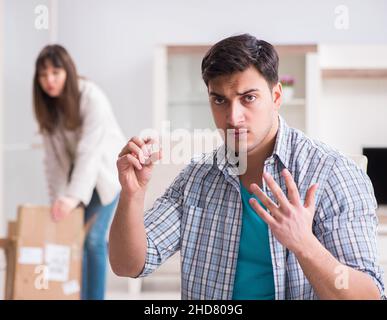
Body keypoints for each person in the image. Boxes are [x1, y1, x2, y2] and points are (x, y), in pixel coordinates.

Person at [109, 34, 385, 299]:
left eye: (248, 98)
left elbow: (368, 295)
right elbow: (128, 265)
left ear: (276, 97)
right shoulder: (197, 177)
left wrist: (306, 245)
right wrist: (133, 194)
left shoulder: (332, 173)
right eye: (219, 100)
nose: (233, 117)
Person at [33, 44, 126, 300]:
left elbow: (90, 152)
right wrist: (58, 200)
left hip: (107, 176)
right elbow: (53, 161)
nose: (49, 80)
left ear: (68, 71)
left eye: (55, 72)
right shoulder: (49, 108)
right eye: (43, 75)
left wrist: (71, 197)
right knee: (75, 241)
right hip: (80, 181)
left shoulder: (91, 96)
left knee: (94, 240)